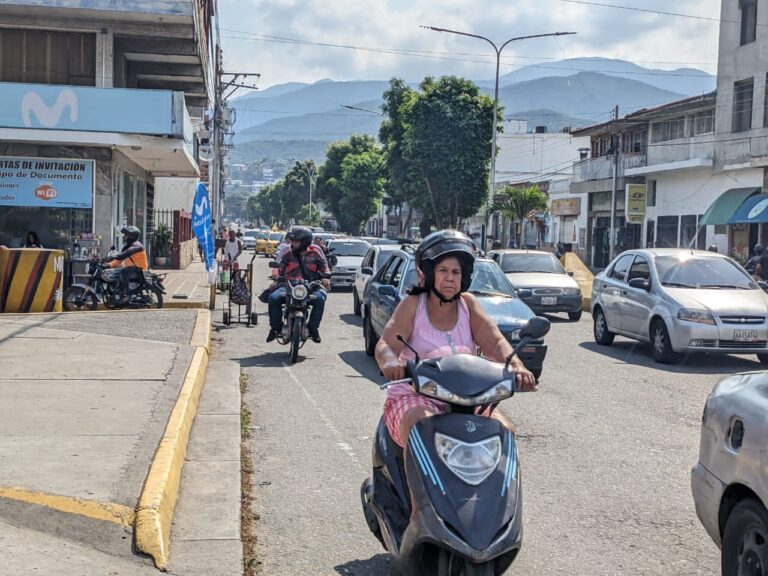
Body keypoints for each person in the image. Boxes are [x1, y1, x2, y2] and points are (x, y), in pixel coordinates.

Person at [374, 229, 536, 449]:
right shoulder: (413, 304)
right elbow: (385, 344)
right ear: (429, 273)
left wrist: (517, 367)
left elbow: (494, 342)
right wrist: (390, 362)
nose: (450, 278)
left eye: (456, 272)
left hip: (468, 400)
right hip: (416, 396)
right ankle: (416, 484)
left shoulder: (468, 304)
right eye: (443, 270)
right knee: (422, 429)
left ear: (464, 277)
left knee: (505, 434)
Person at [266, 226, 330, 343]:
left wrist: (326, 277)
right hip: (289, 286)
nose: (293, 244)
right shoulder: (288, 253)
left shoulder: (316, 252)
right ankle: (275, 329)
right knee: (273, 298)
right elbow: (281, 267)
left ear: (304, 242)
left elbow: (324, 266)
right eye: (293, 241)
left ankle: (313, 328)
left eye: (296, 242)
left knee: (320, 299)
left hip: (311, 286)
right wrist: (277, 279)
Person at [107, 225, 148, 304]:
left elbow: (124, 254)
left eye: (126, 235)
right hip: (131, 269)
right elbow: (119, 260)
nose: (124, 237)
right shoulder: (127, 247)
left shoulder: (137, 246)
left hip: (139, 270)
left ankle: (127, 294)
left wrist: (115, 256)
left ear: (132, 237)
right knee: (116, 273)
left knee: (123, 272)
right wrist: (109, 265)